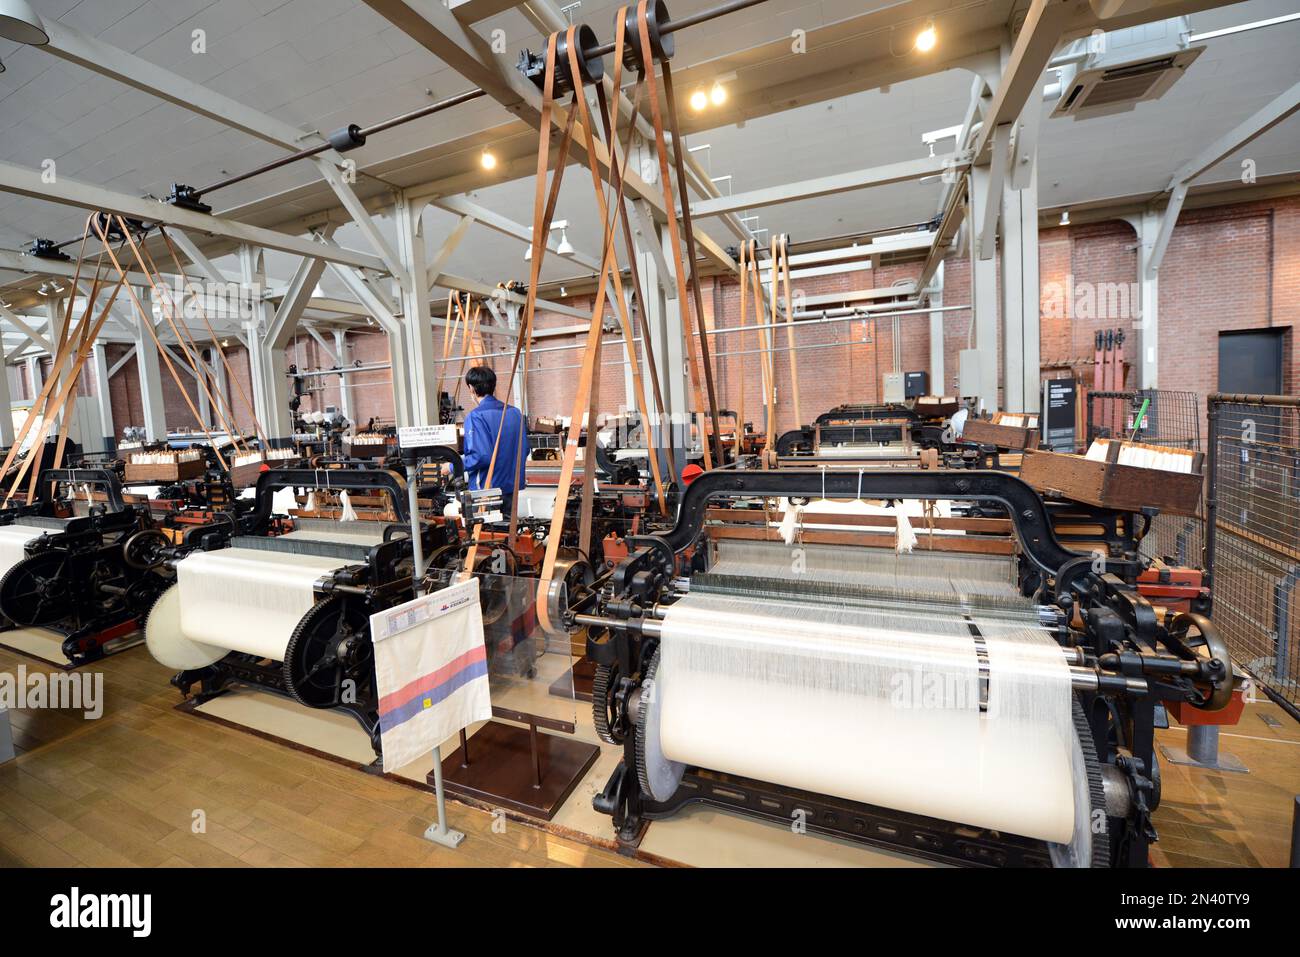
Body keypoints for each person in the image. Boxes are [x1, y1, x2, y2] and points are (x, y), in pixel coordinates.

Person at [461, 365, 527, 514]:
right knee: (507, 531)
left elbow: (481, 456)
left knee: (487, 533)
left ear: (471, 389)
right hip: (511, 487)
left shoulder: (476, 416)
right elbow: (525, 449)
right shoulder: (515, 413)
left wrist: (452, 466)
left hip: (487, 490)